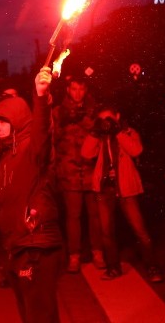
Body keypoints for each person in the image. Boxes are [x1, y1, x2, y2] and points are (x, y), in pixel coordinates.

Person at [0, 67, 63, 323]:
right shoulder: (7, 153)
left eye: (1, 122)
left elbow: (43, 130)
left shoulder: (33, 147)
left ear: (17, 120)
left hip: (36, 245)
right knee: (31, 312)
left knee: (39, 314)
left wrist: (41, 96)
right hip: (18, 245)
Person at [81, 104, 164, 283]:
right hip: (105, 188)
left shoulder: (128, 132)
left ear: (117, 116)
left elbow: (137, 150)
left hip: (126, 187)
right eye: (102, 120)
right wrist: (95, 131)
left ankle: (152, 266)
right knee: (107, 232)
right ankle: (113, 267)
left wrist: (117, 131)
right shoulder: (100, 136)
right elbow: (86, 153)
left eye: (109, 119)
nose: (106, 123)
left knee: (139, 229)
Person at [50, 77, 104, 273]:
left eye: (81, 89)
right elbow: (52, 139)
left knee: (94, 215)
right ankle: (74, 256)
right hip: (69, 171)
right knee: (73, 217)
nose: (78, 93)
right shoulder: (58, 111)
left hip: (90, 170)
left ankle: (97, 252)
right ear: (68, 89)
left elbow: (100, 135)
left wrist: (88, 119)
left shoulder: (94, 110)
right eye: (74, 89)